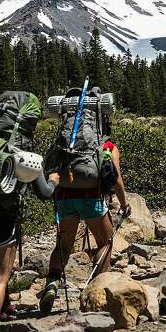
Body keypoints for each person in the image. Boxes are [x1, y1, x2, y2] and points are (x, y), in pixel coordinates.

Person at [39, 113, 130, 316]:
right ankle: (96, 292)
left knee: (63, 245)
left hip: (64, 198)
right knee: (105, 243)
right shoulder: (106, 146)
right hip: (91, 199)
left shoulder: (63, 144)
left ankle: (52, 284)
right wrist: (124, 205)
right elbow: (116, 178)